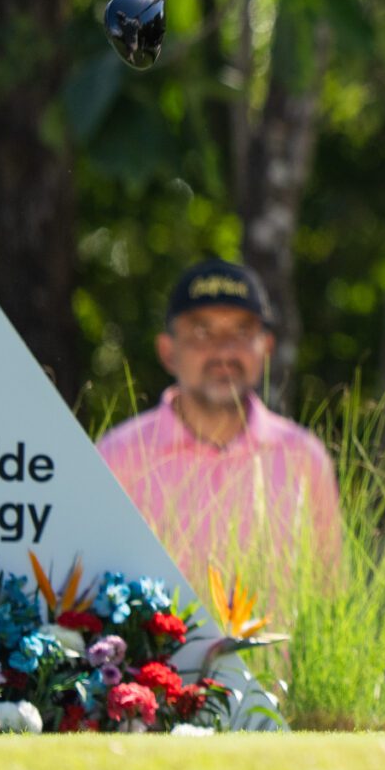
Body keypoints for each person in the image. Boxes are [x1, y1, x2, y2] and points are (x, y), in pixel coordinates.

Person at [95, 259, 342, 606]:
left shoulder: (304, 457)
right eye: (201, 331)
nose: (224, 350)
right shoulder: (116, 456)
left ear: (266, 348)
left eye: (242, 331)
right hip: (156, 661)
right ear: (168, 351)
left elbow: (331, 594)